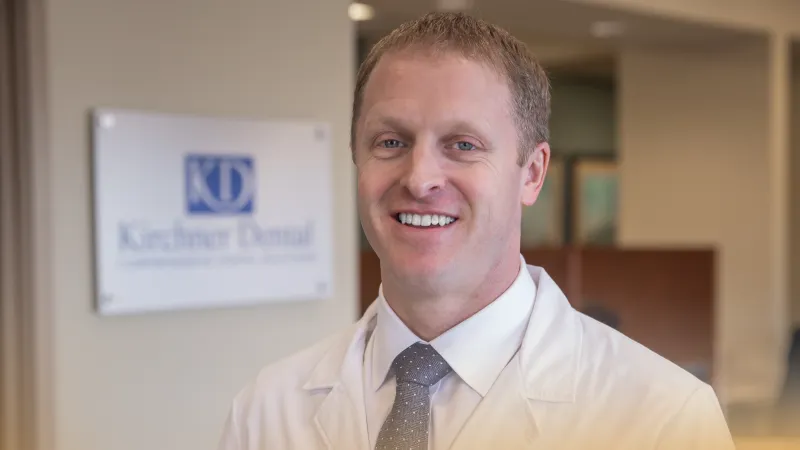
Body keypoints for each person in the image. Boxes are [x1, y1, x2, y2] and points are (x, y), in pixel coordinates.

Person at [217, 12, 735, 450]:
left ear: (532, 174)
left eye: (463, 145)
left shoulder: (664, 420)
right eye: (391, 142)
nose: (419, 178)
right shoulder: (265, 412)